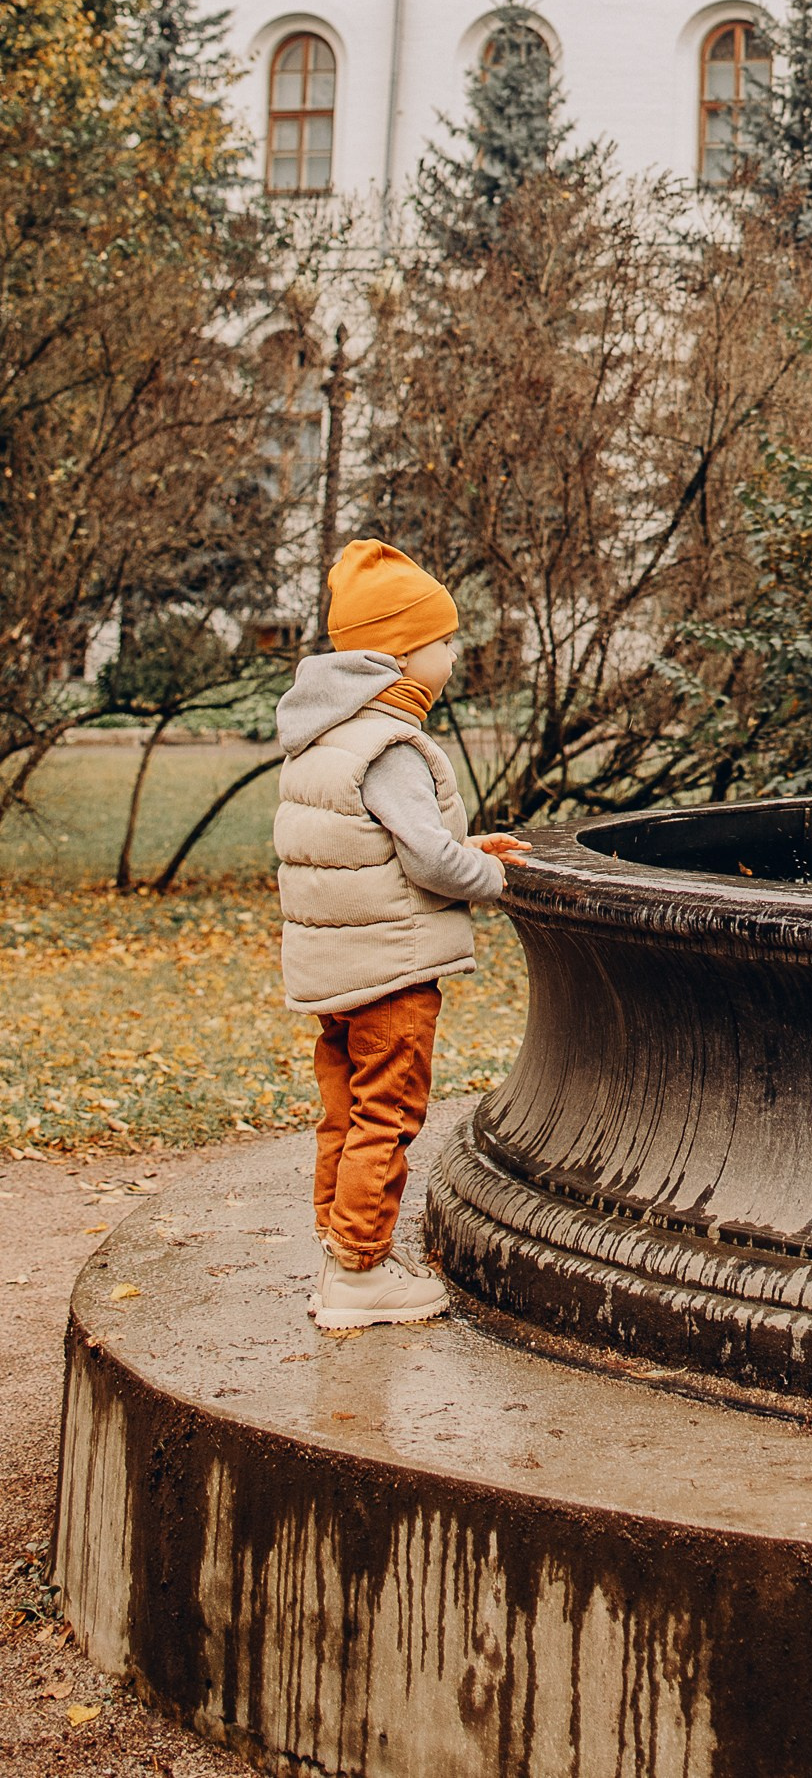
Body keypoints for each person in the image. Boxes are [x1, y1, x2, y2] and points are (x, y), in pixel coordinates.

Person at [273, 538, 530, 1330]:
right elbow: (427, 862)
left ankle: (338, 1249)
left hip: (338, 968)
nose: (452, 656)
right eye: (444, 641)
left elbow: (374, 842)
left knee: (344, 1112)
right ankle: (360, 1272)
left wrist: (469, 844)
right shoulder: (392, 745)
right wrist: (501, 881)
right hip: (392, 973)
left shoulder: (327, 735)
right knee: (387, 1115)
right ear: (400, 655)